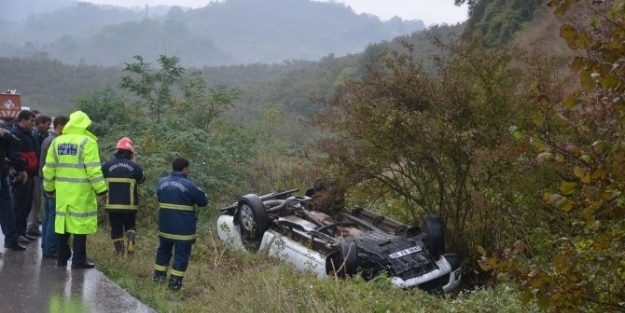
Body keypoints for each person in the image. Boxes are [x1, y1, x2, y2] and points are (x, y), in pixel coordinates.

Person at [42, 111, 108, 269]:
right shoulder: (88, 142)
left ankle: (61, 258)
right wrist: (102, 191)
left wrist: (49, 188)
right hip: (81, 192)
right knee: (80, 226)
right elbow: (93, 170)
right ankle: (78, 260)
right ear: (84, 124)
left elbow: (49, 169)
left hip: (62, 191)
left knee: (62, 224)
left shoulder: (57, 142)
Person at [153, 157, 208, 291]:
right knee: (181, 255)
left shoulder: (161, 182)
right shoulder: (190, 185)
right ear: (185, 169)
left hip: (165, 227)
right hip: (183, 229)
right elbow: (203, 202)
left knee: (163, 252)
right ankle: (174, 284)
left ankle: (158, 279)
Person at [102, 137, 145, 255]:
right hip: (129, 205)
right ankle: (130, 242)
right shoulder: (134, 166)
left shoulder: (106, 165)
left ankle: (119, 252)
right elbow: (141, 179)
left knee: (116, 229)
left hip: (112, 204)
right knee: (130, 225)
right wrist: (135, 164)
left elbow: (99, 181)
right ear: (130, 153)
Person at [39, 115, 68, 259]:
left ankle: (46, 245)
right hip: (51, 183)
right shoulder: (55, 141)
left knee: (47, 215)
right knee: (53, 216)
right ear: (61, 126)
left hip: (44, 181)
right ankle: (50, 248)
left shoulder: (47, 139)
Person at [10, 110, 38, 244]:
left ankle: (22, 232)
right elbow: (14, 155)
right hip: (21, 175)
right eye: (31, 121)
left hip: (30, 173)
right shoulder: (16, 134)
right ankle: (16, 233)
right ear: (23, 120)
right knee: (19, 205)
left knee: (26, 205)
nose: (33, 123)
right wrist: (17, 171)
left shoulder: (29, 134)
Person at [0, 122, 27, 251]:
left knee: (6, 207)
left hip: (2, 173)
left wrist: (5, 134)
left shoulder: (2, 129)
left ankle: (11, 239)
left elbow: (16, 146)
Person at [27, 114, 52, 237]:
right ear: (40, 123)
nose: (48, 127)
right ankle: (32, 226)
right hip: (36, 172)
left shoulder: (41, 135)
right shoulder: (35, 135)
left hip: (37, 172)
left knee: (36, 200)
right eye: (48, 124)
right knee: (35, 200)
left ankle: (32, 224)